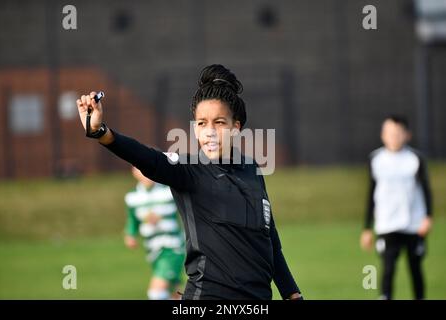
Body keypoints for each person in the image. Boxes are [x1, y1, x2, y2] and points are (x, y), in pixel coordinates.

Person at [76, 64, 302, 300]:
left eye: (219, 123)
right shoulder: (189, 171)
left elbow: (269, 239)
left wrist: (292, 293)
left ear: (236, 127)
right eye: (202, 123)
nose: (210, 132)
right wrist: (100, 131)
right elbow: (148, 158)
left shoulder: (252, 169)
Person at [360, 115, 433, 300]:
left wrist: (428, 217)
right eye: (390, 133)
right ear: (383, 135)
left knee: (415, 268)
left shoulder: (415, 159)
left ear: (407, 135)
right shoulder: (376, 159)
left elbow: (425, 189)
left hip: (413, 224)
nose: (394, 137)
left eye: (398, 133)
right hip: (387, 224)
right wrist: (367, 227)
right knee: (388, 268)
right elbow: (371, 194)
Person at [124, 166, 185, 300]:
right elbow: (132, 219)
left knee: (156, 292)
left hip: (172, 247)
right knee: (174, 293)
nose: (144, 173)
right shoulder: (132, 197)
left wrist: (161, 216)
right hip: (152, 249)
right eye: (139, 169)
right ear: (133, 172)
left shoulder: (169, 190)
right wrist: (130, 234)